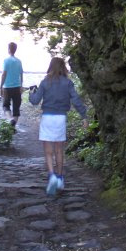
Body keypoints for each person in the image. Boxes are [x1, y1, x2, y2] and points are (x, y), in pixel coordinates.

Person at [29, 56, 86, 196]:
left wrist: (32, 93)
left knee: (48, 152)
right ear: (63, 67)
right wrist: (84, 116)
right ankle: (60, 178)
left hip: (47, 118)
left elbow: (35, 101)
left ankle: (52, 176)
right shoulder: (68, 83)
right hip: (61, 118)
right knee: (59, 150)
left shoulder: (45, 82)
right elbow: (76, 100)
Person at [0, 42, 24, 126]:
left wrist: (0, 86)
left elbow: (4, 74)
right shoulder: (19, 61)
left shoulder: (6, 61)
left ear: (9, 49)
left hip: (7, 87)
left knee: (6, 106)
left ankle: (10, 119)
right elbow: (21, 74)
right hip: (17, 87)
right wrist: (21, 85)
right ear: (15, 50)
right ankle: (13, 126)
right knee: (16, 108)